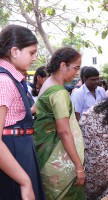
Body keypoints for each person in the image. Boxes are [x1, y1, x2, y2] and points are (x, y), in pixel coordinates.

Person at [33, 47, 86, 199]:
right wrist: (79, 167)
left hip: (45, 152)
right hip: (57, 157)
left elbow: (35, 110)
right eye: (75, 68)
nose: (77, 73)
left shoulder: (48, 82)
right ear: (63, 66)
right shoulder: (59, 93)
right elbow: (63, 131)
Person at [0, 24, 45, 200]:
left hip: (21, 150)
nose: (35, 58)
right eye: (32, 53)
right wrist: (24, 181)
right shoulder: (3, 81)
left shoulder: (13, 78)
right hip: (11, 154)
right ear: (15, 51)